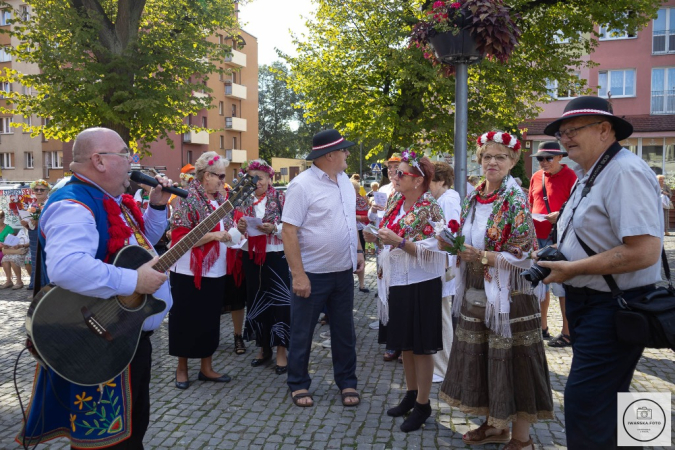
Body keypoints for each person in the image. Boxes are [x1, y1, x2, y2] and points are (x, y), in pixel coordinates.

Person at [17, 127, 172, 449]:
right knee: (107, 442)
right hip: (98, 339)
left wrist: (157, 207)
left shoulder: (113, 200)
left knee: (132, 431)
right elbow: (67, 267)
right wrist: (134, 282)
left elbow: (145, 248)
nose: (132, 160)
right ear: (99, 161)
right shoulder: (74, 204)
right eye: (125, 153)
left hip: (124, 334)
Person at [537, 96, 663, 449]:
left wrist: (571, 268)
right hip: (592, 303)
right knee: (604, 400)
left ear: (605, 129)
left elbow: (645, 252)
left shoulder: (625, 171)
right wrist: (553, 254)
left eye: (573, 130)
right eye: (562, 133)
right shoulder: (588, 173)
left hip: (613, 306)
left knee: (585, 403)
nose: (565, 139)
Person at [439, 131, 554, 450]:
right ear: (479, 159)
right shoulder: (474, 196)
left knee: (515, 360)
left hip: (511, 296)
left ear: (513, 161)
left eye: (500, 156)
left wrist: (486, 256)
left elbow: (526, 253)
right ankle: (494, 425)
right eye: (487, 156)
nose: (492, 162)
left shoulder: (515, 198)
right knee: (485, 357)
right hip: (477, 288)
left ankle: (522, 438)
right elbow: (464, 237)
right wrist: (451, 244)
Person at [282, 128, 365, 408]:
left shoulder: (344, 182)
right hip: (312, 274)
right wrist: (298, 274)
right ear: (329, 155)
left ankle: (347, 382)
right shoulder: (301, 185)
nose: (347, 154)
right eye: (344, 150)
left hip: (343, 271)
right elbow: (289, 231)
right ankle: (298, 383)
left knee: (344, 331)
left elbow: (349, 221)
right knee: (303, 332)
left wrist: (359, 250)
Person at [367, 150, 447, 432]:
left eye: (401, 173)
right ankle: (411, 394)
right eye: (395, 172)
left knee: (422, 347)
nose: (395, 176)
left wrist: (401, 242)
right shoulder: (394, 201)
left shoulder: (431, 207)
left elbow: (440, 247)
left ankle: (423, 404)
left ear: (418, 180)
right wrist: (375, 235)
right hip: (398, 280)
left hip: (422, 282)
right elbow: (387, 233)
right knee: (406, 344)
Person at [169, 151, 234, 389]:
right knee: (185, 319)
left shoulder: (218, 200)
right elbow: (180, 238)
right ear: (206, 175)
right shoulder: (188, 198)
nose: (223, 180)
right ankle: (182, 368)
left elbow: (226, 229)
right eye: (220, 176)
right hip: (188, 270)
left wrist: (237, 228)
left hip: (215, 269)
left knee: (209, 319)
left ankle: (206, 367)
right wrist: (214, 235)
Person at [235, 159, 290, 375]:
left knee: (280, 302)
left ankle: (281, 351)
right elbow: (232, 226)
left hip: (275, 255)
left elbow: (294, 224)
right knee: (256, 301)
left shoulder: (281, 197)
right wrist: (239, 226)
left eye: (260, 177)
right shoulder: (242, 199)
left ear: (269, 178)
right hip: (251, 255)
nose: (256, 182)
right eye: (251, 178)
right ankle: (263, 346)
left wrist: (275, 228)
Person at [528, 142, 577, 348]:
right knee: (540, 285)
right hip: (538, 236)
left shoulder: (572, 177)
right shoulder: (536, 177)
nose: (544, 162)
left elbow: (577, 207)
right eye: (540, 158)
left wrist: (560, 215)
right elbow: (531, 202)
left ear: (560, 158)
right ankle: (542, 327)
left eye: (549, 158)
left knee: (562, 286)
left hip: (560, 238)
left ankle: (567, 332)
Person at [368, 153, 403, 361]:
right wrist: (373, 210)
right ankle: (391, 341)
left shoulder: (407, 190)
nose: (391, 171)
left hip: (398, 248)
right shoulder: (382, 190)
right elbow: (374, 219)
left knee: (399, 295)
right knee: (385, 294)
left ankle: (402, 343)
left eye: (395, 167)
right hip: (382, 249)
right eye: (389, 168)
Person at [429, 161, 461, 383]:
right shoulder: (443, 199)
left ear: (440, 181)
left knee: (441, 315)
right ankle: (441, 363)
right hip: (441, 263)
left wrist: (444, 262)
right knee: (439, 313)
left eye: (429, 180)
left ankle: (444, 365)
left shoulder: (448, 200)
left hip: (443, 264)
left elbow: (448, 233)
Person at [21, 179, 50, 290]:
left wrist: (40, 222)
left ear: (47, 191)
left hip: (46, 237)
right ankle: (36, 284)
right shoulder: (32, 205)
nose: (38, 192)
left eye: (41, 189)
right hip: (33, 237)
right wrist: (25, 223)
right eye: (36, 189)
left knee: (45, 259)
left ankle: (46, 285)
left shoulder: (50, 203)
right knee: (35, 260)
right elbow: (30, 224)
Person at [353, 179, 370, 293]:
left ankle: (362, 284)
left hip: (360, 229)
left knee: (361, 255)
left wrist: (356, 217)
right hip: (348, 230)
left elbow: (367, 216)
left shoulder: (361, 201)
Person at [0, 210, 21, 289]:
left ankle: (9, 280)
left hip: (5, 249)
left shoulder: (8, 229)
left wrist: (3, 244)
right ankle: (9, 280)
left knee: (3, 257)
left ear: (3, 218)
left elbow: (11, 242)